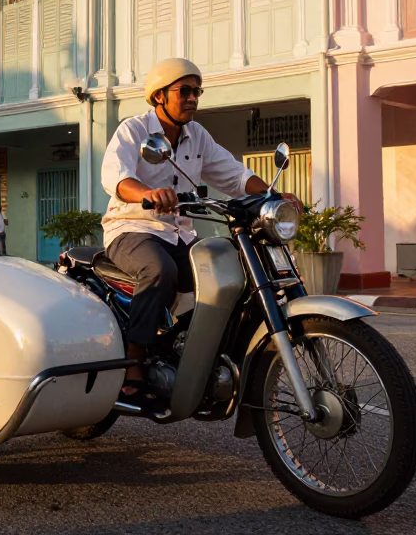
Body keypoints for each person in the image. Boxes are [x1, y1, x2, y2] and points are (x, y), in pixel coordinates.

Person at [101, 58, 296, 408]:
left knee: (228, 277)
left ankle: (193, 352)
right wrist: (148, 193)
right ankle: (134, 363)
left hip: (180, 235)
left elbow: (234, 176)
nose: (192, 98)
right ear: (159, 96)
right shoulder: (134, 130)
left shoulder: (198, 136)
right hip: (132, 228)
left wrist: (274, 196)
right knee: (159, 270)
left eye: (197, 91)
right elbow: (116, 176)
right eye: (185, 91)